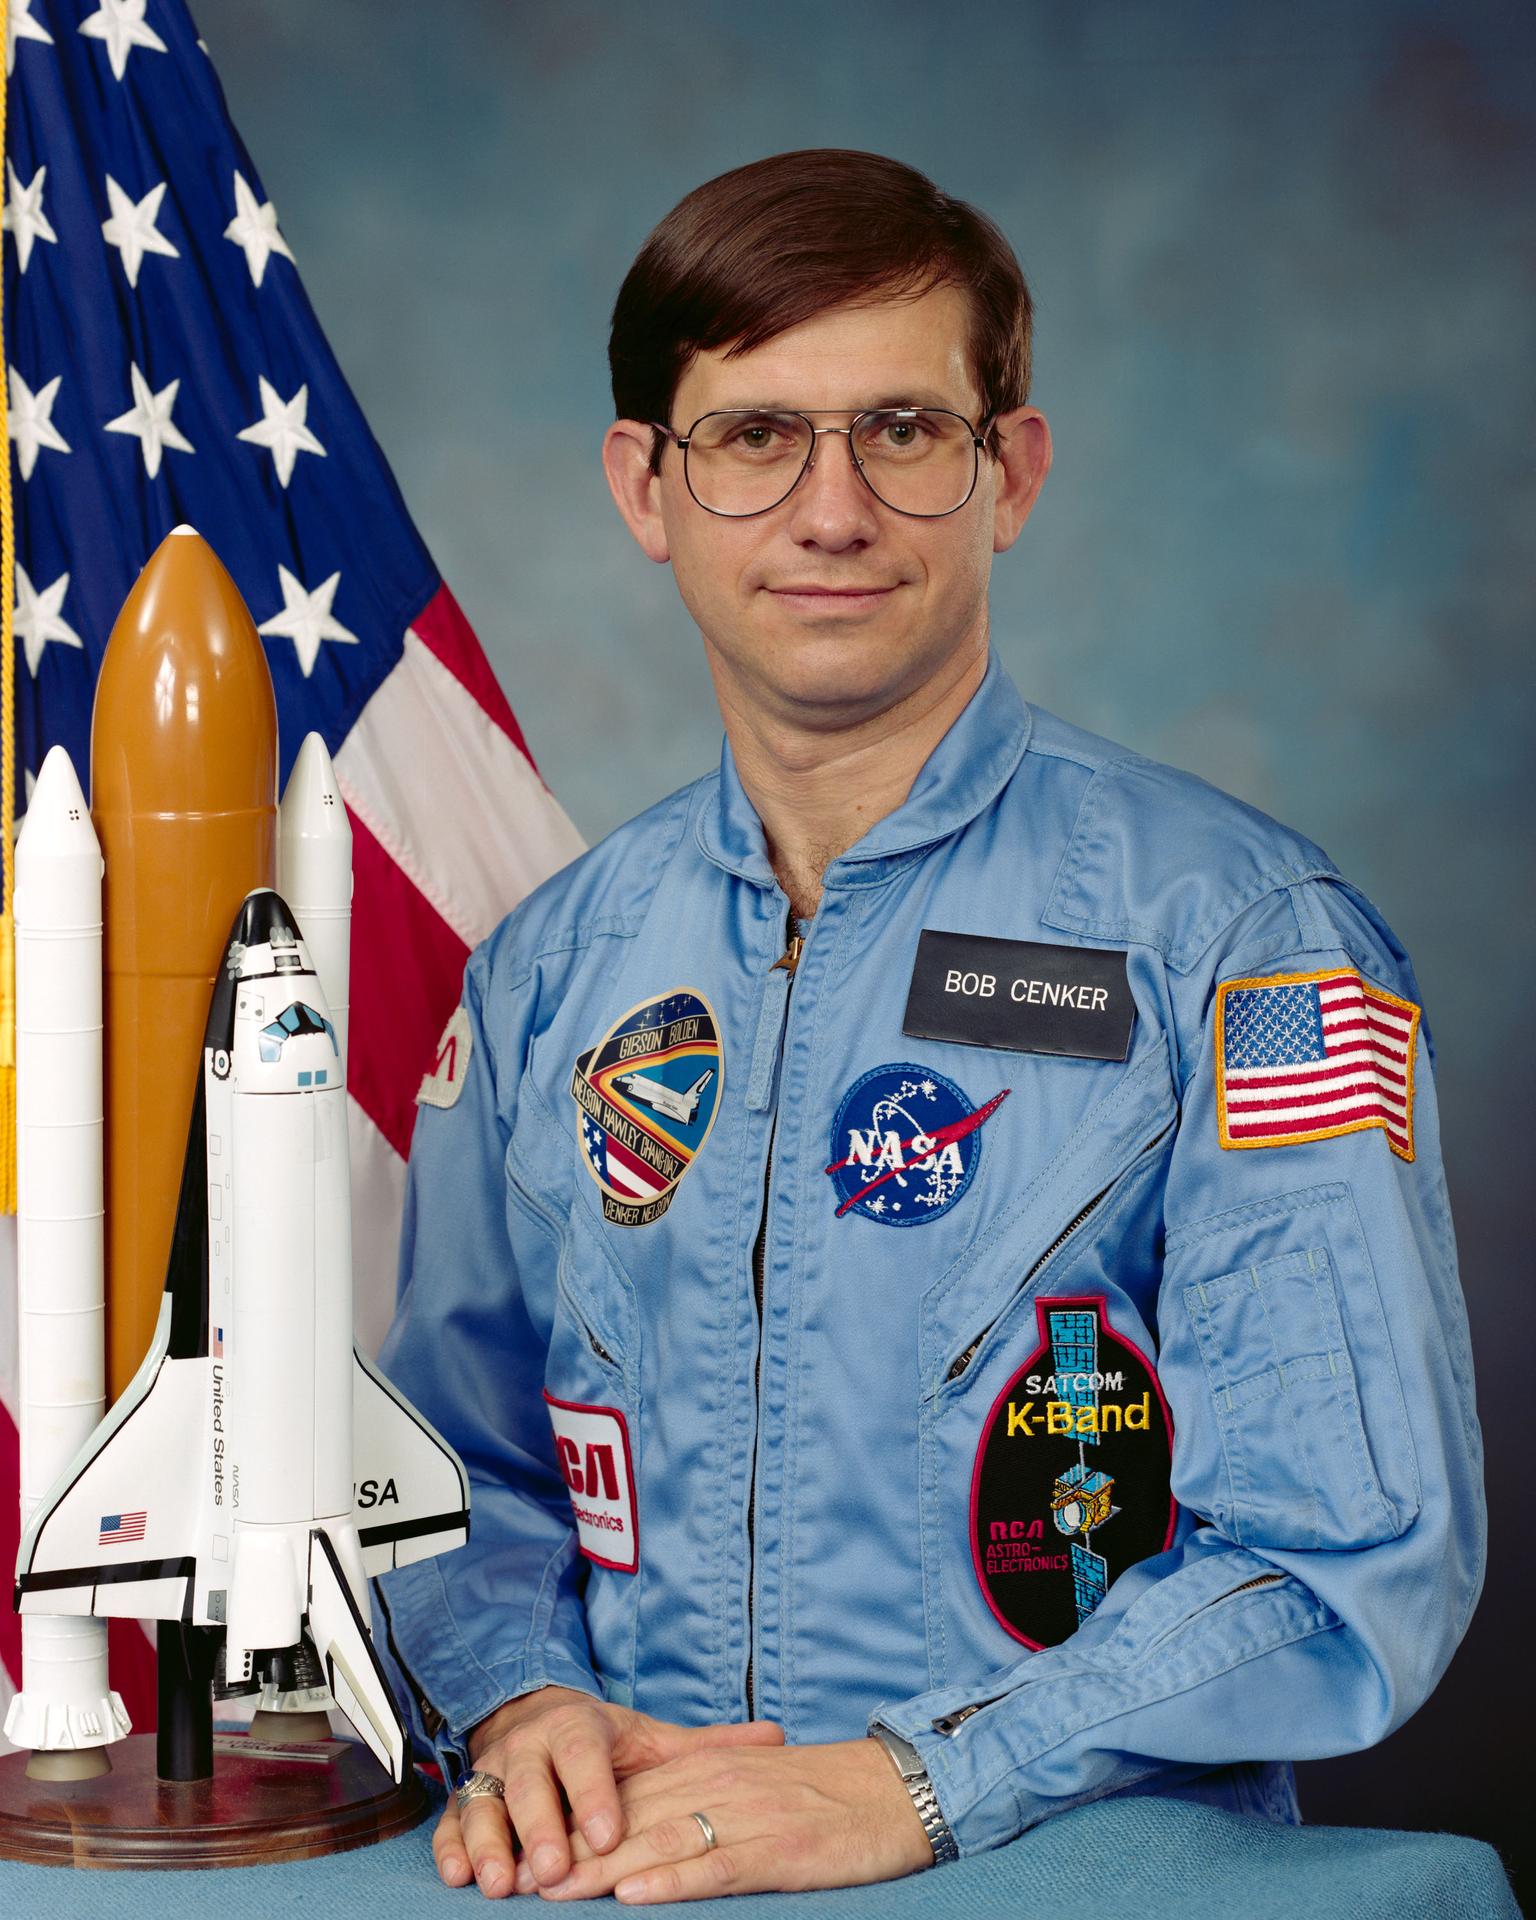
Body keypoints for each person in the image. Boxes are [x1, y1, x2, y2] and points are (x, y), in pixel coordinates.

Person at [371, 149, 1486, 1905]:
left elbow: (1345, 1556)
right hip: (633, 1873)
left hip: (1074, 1864)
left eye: (902, 430)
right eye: (752, 438)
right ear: (644, 489)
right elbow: (451, 1472)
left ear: (1012, 475)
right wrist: (518, 1707)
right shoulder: (547, 977)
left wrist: (930, 1782)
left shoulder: (1243, 947)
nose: (831, 513)